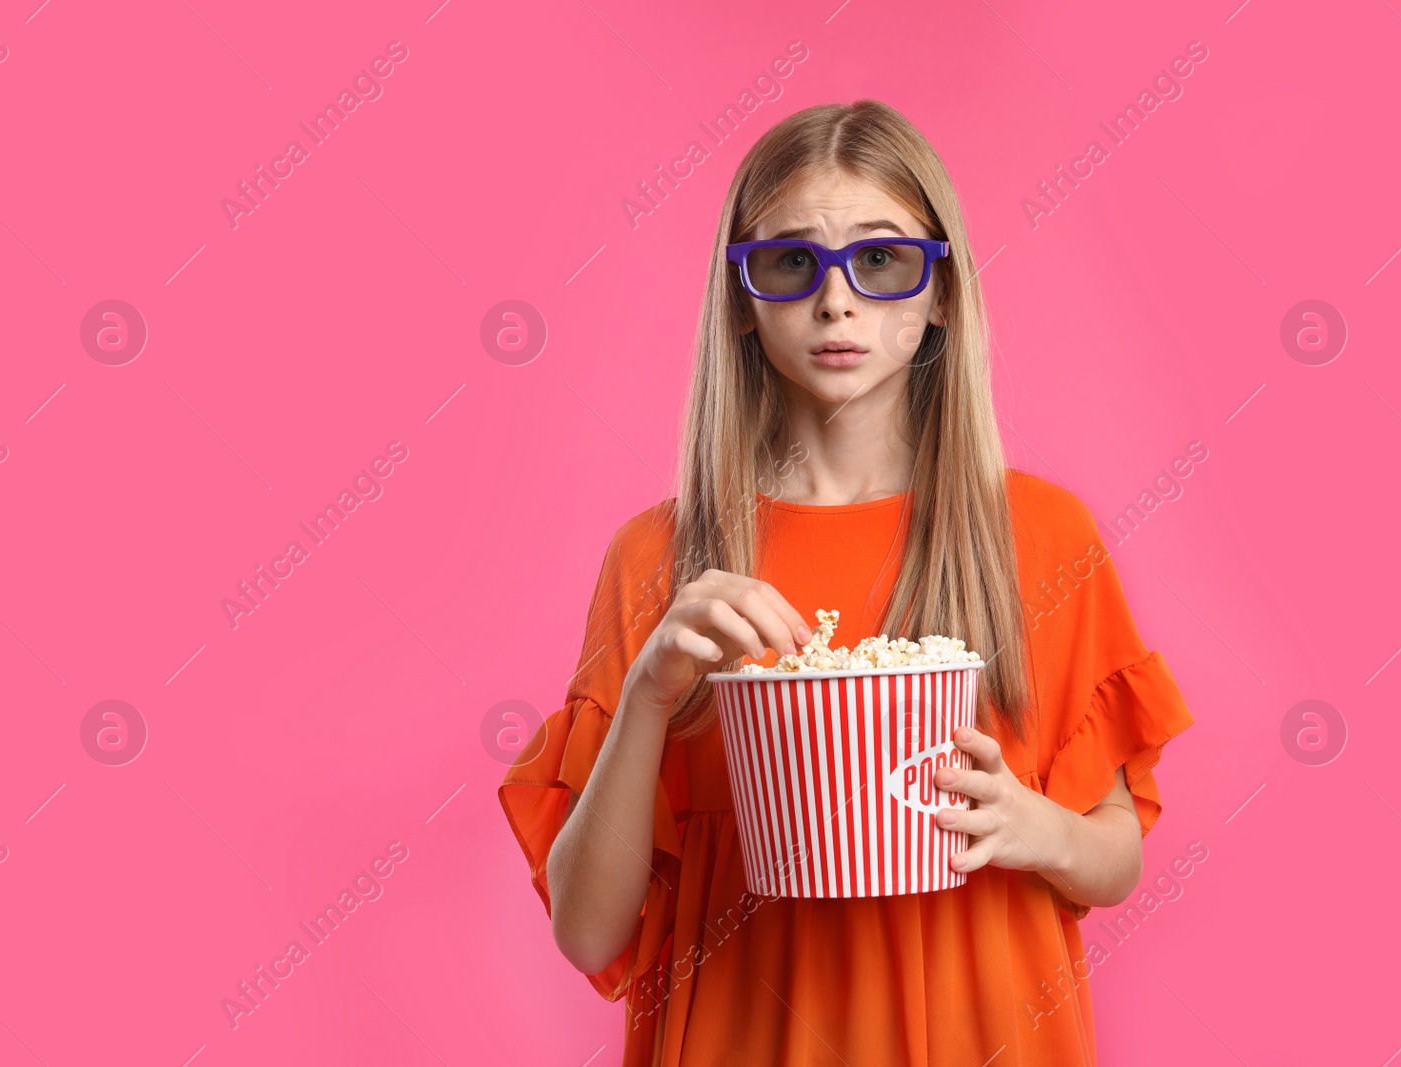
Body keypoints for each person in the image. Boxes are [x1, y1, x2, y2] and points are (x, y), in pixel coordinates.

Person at [498, 99, 1196, 1066]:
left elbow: (1116, 854)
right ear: (742, 299)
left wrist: (1039, 829)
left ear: (941, 291)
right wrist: (651, 693)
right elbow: (586, 929)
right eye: (792, 262)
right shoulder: (659, 560)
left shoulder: (1039, 535)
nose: (838, 303)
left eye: (880, 260)